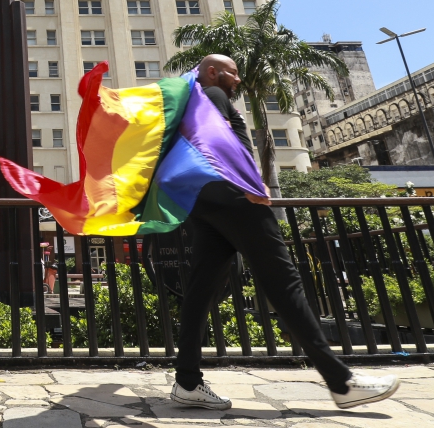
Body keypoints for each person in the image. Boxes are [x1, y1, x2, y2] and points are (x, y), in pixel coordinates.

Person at [171, 54, 399, 412]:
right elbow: (213, 140)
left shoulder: (193, 100)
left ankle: (187, 381)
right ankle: (342, 382)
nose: (239, 80)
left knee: (201, 290)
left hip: (204, 201)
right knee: (284, 281)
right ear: (213, 72)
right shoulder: (212, 94)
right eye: (233, 72)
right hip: (233, 196)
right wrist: (245, 181)